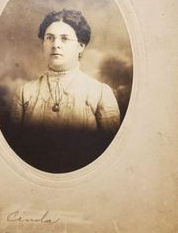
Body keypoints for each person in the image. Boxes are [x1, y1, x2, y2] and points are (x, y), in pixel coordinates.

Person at [11, 9, 120, 173]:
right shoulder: (25, 93)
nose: (55, 44)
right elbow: (14, 152)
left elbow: (112, 157)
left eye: (64, 38)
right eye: (49, 38)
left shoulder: (100, 93)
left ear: (81, 46)